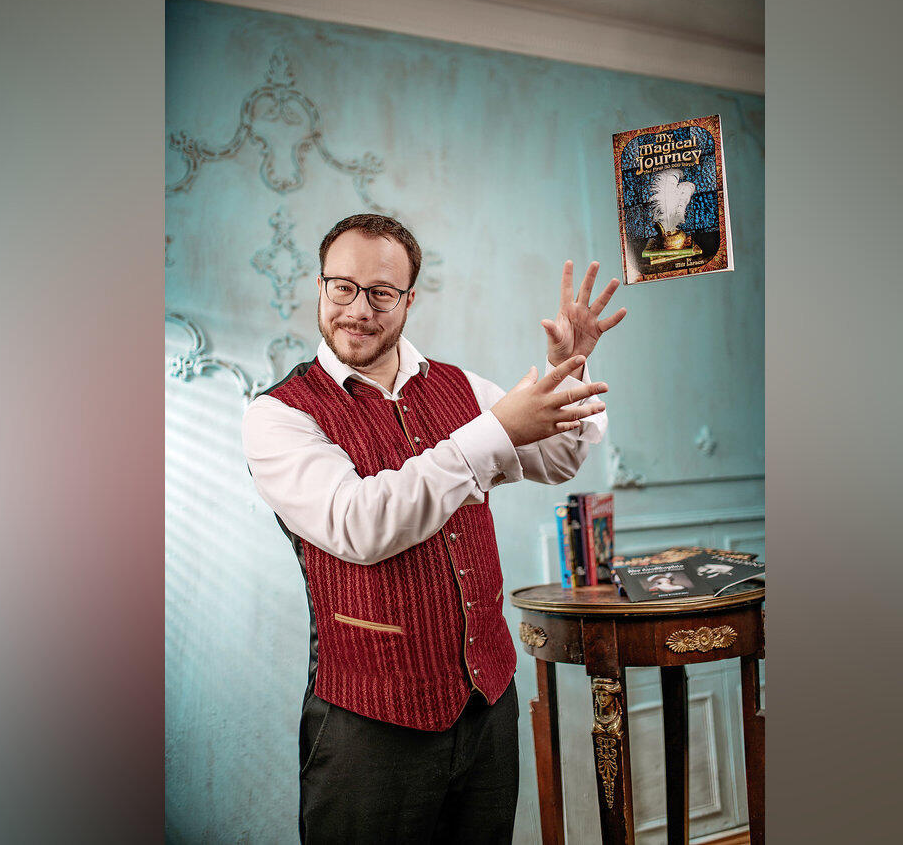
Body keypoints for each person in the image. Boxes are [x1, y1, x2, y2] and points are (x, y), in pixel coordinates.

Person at [241, 213, 626, 843]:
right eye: (343, 287)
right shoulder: (279, 415)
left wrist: (570, 366)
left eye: (381, 293)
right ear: (320, 286)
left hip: (487, 706)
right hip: (368, 725)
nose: (358, 310)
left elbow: (558, 459)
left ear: (409, 299)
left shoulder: (462, 388)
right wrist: (492, 434)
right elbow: (359, 524)